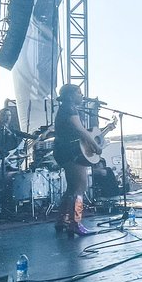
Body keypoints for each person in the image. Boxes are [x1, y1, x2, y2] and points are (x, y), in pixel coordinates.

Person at [51, 84, 101, 234]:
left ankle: (62, 220)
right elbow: (80, 130)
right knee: (80, 187)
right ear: (70, 95)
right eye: (78, 92)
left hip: (63, 150)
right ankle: (76, 223)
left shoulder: (65, 108)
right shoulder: (69, 108)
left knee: (72, 188)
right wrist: (94, 145)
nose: (81, 95)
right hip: (70, 151)